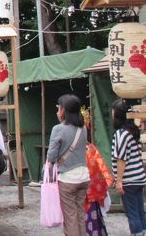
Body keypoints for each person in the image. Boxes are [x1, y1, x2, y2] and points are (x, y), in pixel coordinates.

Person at [47, 94, 89, 236]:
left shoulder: (58, 129)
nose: (58, 110)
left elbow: (51, 156)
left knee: (70, 217)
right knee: (80, 216)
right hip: (84, 176)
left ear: (63, 110)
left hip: (67, 178)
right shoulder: (83, 128)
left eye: (59, 107)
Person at [111, 99, 146, 236]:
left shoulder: (121, 134)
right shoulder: (133, 131)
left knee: (132, 213)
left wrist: (119, 180)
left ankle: (137, 233)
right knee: (139, 210)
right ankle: (143, 232)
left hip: (129, 179)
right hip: (138, 177)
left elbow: (121, 158)